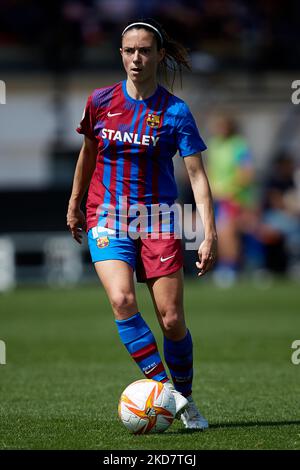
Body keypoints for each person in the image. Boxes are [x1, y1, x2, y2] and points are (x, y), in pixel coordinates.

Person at [67, 18, 217, 430]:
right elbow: (88, 154)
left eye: (145, 50)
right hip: (108, 215)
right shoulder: (100, 101)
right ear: (121, 54)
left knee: (171, 319)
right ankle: (172, 400)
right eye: (130, 50)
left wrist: (209, 232)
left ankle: (183, 395)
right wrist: (76, 202)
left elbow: (198, 176)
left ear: (159, 55)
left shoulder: (176, 111)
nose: (137, 58)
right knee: (122, 300)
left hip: (159, 219)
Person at [206, 114, 256, 286]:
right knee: (220, 233)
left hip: (233, 196)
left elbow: (246, 172)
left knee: (227, 233)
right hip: (216, 197)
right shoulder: (214, 145)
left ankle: (230, 268)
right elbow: (211, 170)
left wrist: (231, 189)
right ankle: (230, 266)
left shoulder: (238, 145)